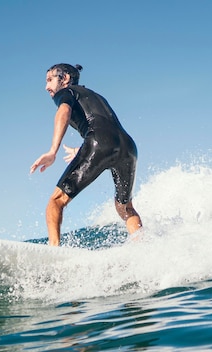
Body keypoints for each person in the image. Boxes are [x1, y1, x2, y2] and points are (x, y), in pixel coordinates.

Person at [30, 63, 143, 246]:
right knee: (125, 207)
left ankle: (53, 251)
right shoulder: (94, 95)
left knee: (55, 202)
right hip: (128, 148)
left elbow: (64, 112)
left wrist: (53, 151)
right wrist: (84, 149)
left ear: (65, 78)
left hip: (99, 142)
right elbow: (107, 129)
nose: (47, 87)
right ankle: (142, 246)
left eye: (50, 80)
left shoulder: (66, 92)